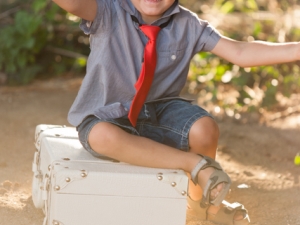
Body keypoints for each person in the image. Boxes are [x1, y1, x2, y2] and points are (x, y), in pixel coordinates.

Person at [52, 0, 300, 224]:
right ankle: (197, 166)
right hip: (106, 116)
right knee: (102, 136)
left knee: (204, 127)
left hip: (158, 113)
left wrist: (296, 49)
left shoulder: (189, 24)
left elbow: (240, 52)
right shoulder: (107, 10)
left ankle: (200, 205)